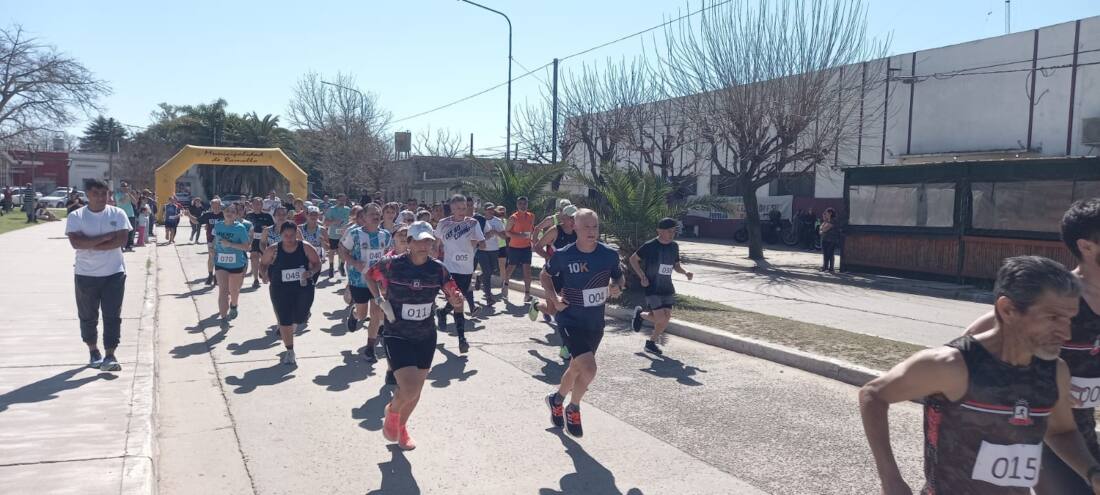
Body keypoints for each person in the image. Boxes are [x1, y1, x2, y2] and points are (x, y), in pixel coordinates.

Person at [859, 255, 1100, 494]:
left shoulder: (1055, 372)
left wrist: (1092, 473)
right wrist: (891, 480)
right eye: (1053, 318)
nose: (1066, 333)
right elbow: (873, 395)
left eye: (1069, 319)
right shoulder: (950, 365)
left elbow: (1060, 431)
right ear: (1007, 310)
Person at [961, 199, 1100, 494]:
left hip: (1080, 429)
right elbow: (970, 343)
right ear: (1087, 247)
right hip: (1035, 428)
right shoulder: (1058, 295)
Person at [365, 221, 464, 450]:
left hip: (425, 335)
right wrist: (379, 299)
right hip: (397, 333)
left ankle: (402, 428)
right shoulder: (392, 264)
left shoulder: (437, 268)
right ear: (408, 242)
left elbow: (451, 288)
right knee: (408, 388)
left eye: (428, 241)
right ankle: (392, 411)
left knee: (416, 391)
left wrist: (455, 298)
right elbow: (370, 275)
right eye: (418, 240)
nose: (423, 245)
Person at [541, 209, 624, 437]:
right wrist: (553, 298)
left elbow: (619, 277)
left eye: (595, 226)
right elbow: (545, 276)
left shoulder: (609, 255)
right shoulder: (564, 255)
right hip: (570, 318)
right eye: (586, 226)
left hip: (595, 322)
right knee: (590, 368)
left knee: (577, 368)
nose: (591, 231)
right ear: (574, 227)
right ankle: (573, 408)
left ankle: (556, 400)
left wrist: (618, 286)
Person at [66, 179, 131, 371]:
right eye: (96, 194)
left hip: (114, 273)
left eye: (105, 194)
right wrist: (104, 237)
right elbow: (77, 243)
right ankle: (93, 351)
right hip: (85, 275)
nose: (102, 198)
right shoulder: (76, 216)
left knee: (112, 316)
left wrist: (90, 242)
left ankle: (110, 355)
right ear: (87, 195)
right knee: (88, 316)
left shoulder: (118, 213)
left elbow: (120, 241)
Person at [629, 217, 694, 355]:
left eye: (674, 231)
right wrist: (642, 276)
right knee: (660, 318)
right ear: (659, 231)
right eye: (669, 231)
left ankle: (651, 343)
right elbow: (633, 259)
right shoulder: (650, 245)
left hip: (667, 287)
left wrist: (685, 272)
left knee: (666, 318)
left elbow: (676, 266)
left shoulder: (674, 246)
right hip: (652, 286)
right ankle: (640, 315)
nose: (672, 234)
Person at [259, 222, 321, 365]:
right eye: (286, 235)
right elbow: (263, 264)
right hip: (280, 289)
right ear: (280, 235)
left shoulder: (305, 247)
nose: (289, 238)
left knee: (299, 319)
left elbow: (317, 263)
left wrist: (310, 272)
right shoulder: (273, 249)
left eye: (292, 235)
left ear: (297, 233)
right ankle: (290, 351)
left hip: (303, 288)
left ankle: (296, 321)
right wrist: (264, 275)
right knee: (284, 319)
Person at [340, 204, 393, 362]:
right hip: (359, 280)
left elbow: (388, 255)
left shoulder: (386, 235)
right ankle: (355, 315)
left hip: (377, 281)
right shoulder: (355, 234)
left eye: (378, 214)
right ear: (363, 217)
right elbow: (342, 251)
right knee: (363, 315)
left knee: (376, 314)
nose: (376, 216)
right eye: (372, 214)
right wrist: (354, 263)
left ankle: (370, 348)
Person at [434, 194, 485, 353]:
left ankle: (442, 312)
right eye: (457, 208)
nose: (461, 211)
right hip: (449, 269)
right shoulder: (444, 224)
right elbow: (436, 245)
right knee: (459, 301)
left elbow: (482, 245)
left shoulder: (473, 223)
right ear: (451, 208)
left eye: (464, 208)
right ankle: (462, 339)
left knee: (457, 299)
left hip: (466, 269)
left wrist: (476, 243)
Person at [528, 205, 580, 359]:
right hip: (552, 275)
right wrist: (550, 259)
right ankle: (536, 305)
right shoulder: (555, 231)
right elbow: (537, 247)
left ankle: (567, 345)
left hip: (570, 276)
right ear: (563, 218)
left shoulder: (578, 232)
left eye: (575, 217)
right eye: (570, 218)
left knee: (566, 308)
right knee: (552, 310)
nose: (572, 221)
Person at [212, 204, 251, 323]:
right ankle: (223, 318)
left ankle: (234, 305)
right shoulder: (218, 225)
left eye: (232, 212)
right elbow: (215, 239)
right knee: (223, 290)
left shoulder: (240, 228)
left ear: (236, 215)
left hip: (236, 265)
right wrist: (212, 249)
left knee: (234, 290)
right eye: (227, 211)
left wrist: (230, 244)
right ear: (223, 212)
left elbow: (247, 247)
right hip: (220, 263)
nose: (229, 213)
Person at [503, 196, 536, 300]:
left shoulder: (531, 216)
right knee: (510, 269)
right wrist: (519, 236)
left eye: (524, 204)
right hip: (514, 248)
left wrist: (534, 241)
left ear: (527, 204)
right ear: (517, 205)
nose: (523, 206)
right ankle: (505, 284)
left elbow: (532, 230)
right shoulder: (513, 218)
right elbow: (507, 232)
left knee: (527, 271)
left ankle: (527, 294)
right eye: (520, 204)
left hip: (526, 247)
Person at [475, 202, 505, 304]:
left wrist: (495, 232)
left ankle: (480, 277)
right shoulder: (479, 221)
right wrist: (486, 235)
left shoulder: (498, 221)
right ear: (484, 210)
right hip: (482, 250)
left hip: (494, 250)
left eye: (492, 209)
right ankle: (488, 297)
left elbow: (504, 236)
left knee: (493, 270)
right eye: (488, 209)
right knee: (487, 273)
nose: (490, 211)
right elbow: (475, 236)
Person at [243, 198, 274, 288]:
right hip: (253, 240)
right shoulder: (249, 216)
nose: (257, 206)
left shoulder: (267, 216)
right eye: (255, 204)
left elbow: (273, 228)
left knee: (265, 259)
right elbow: (244, 227)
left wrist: (266, 229)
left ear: (262, 205)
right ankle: (255, 279)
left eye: (259, 204)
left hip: (264, 241)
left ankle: (263, 272)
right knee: (254, 258)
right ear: (252, 205)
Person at [198, 199, 225, 285]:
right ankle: (210, 275)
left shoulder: (224, 215)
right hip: (211, 239)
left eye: (217, 206)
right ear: (211, 207)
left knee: (220, 258)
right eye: (213, 206)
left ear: (220, 206)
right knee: (211, 257)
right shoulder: (208, 215)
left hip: (223, 240)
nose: (215, 208)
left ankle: (217, 276)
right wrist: (189, 215)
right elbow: (197, 221)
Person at [324, 194, 352, 278]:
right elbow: (325, 222)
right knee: (332, 251)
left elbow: (352, 220)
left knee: (343, 251)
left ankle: (341, 266)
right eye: (340, 200)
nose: (342, 202)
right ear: (337, 200)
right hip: (333, 234)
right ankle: (331, 267)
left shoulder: (348, 209)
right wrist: (333, 222)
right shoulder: (331, 210)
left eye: (344, 200)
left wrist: (348, 225)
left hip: (344, 234)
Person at [300, 206, 327, 283]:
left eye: (316, 215)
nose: (313, 217)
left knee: (312, 282)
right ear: (306, 215)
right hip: (302, 259)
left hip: (316, 262)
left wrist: (323, 242)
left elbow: (328, 248)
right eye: (311, 214)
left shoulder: (322, 230)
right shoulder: (299, 229)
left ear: (318, 216)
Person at [112, 182, 138, 250]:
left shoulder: (128, 194)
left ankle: (129, 246)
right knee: (122, 231)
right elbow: (121, 202)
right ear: (121, 188)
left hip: (131, 214)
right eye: (123, 187)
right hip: (122, 215)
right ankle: (121, 246)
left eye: (126, 187)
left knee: (132, 231)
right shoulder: (118, 195)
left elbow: (135, 202)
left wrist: (129, 194)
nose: (125, 188)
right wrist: (125, 195)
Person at [819, 208, 840, 273]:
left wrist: (822, 229)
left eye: (827, 213)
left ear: (830, 213)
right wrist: (824, 222)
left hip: (831, 240)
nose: (826, 214)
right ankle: (825, 267)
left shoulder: (833, 220)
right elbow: (821, 228)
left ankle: (831, 268)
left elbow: (825, 229)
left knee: (830, 254)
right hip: (825, 239)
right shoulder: (827, 220)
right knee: (825, 254)